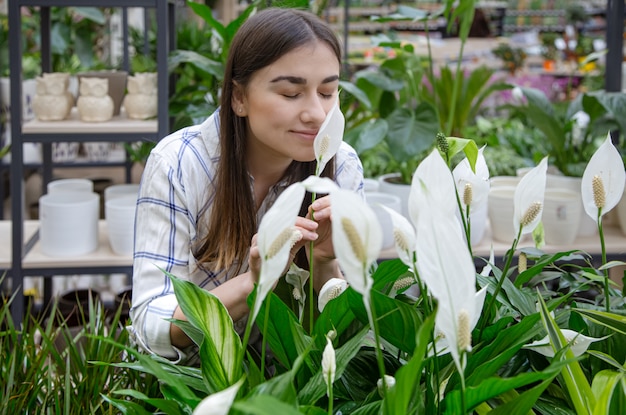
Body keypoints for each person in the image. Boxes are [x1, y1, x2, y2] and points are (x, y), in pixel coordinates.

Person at [129, 7, 364, 363]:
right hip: (196, 384)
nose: (317, 113)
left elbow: (357, 338)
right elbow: (151, 325)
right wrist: (252, 284)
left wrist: (325, 267)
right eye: (290, 93)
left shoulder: (341, 167)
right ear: (239, 98)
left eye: (328, 92)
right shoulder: (179, 164)